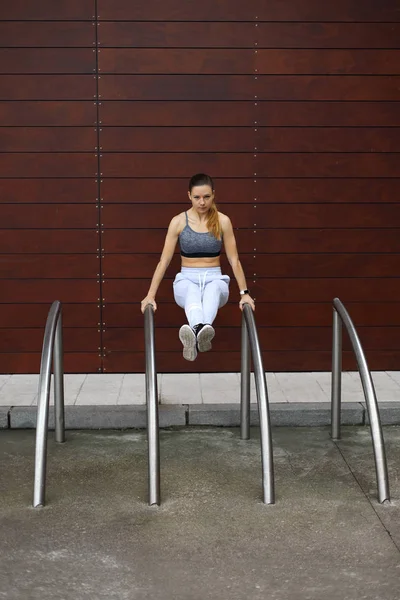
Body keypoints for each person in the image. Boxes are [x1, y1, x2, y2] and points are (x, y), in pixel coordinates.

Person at [140, 173, 256, 361]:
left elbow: (234, 260)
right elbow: (164, 261)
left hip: (214, 277)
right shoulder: (178, 222)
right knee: (192, 293)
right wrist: (150, 295)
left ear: (213, 195)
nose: (202, 202)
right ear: (189, 196)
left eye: (206, 197)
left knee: (212, 291)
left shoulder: (223, 221)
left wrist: (244, 293)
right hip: (187, 278)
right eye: (197, 197)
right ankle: (201, 334)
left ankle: (194, 334)